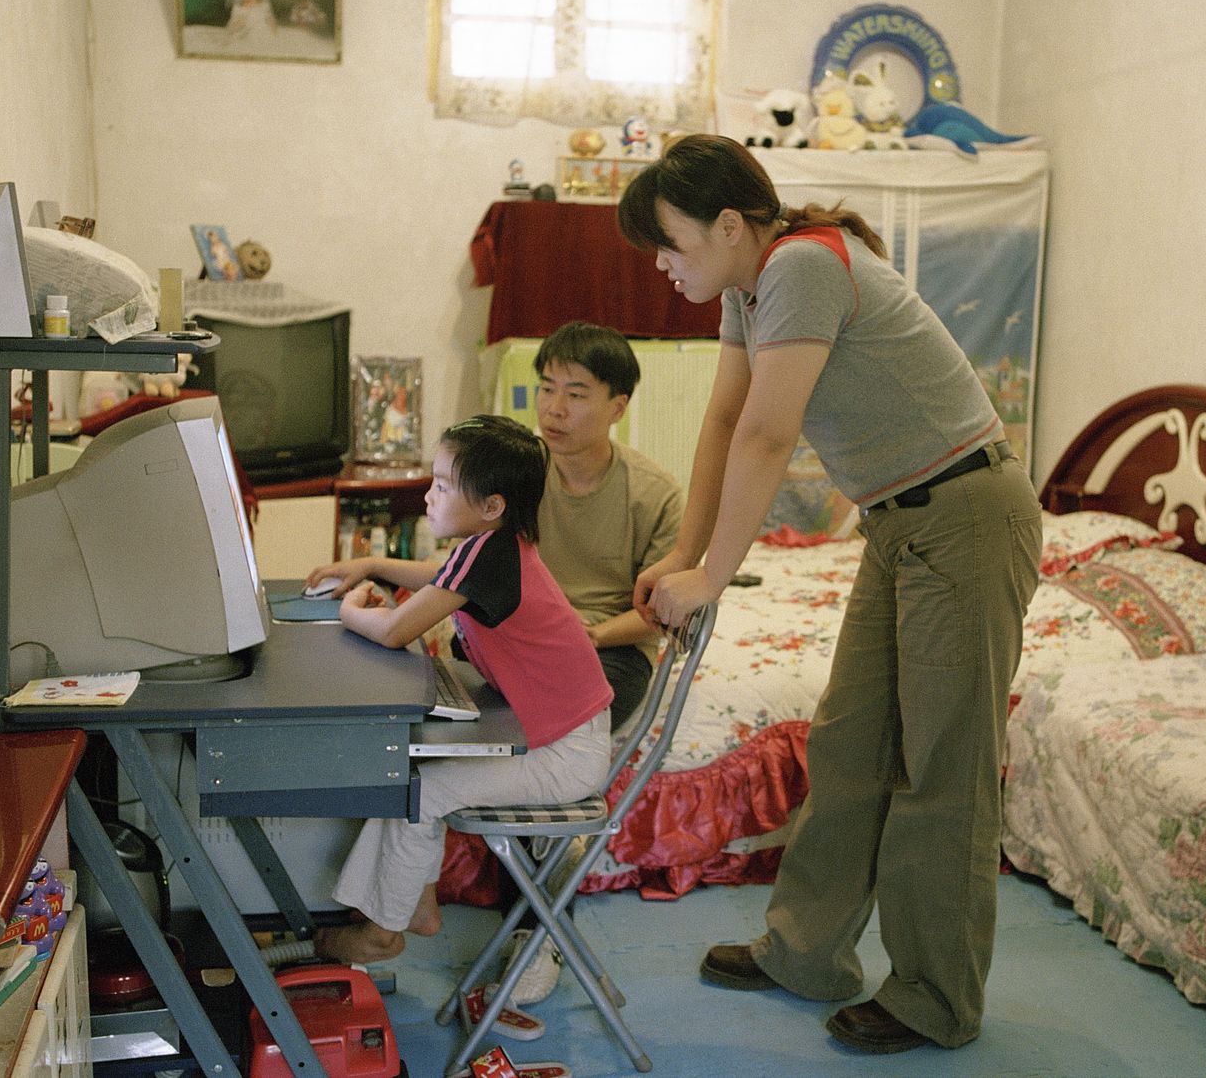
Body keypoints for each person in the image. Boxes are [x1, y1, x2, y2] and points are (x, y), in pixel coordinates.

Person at [616, 134, 1042, 1055]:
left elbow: (770, 436)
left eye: (669, 242)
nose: (660, 264)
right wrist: (683, 553)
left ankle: (934, 996)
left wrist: (713, 576)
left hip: (967, 517)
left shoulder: (804, 265)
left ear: (730, 225)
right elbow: (725, 418)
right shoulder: (749, 287)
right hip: (898, 524)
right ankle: (806, 951)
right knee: (849, 744)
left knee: (941, 768)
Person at [312, 415, 613, 964]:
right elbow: (440, 576)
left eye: (443, 486)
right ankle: (415, 905)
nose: (429, 496)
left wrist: (349, 608)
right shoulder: (493, 547)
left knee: (420, 792)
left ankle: (382, 933)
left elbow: (396, 630)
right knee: (408, 768)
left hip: (567, 754)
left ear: (492, 505)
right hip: (557, 739)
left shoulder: (489, 554)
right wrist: (372, 564)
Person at [531, 321, 684, 729]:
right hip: (525, 632)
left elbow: (662, 612)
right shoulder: (520, 473)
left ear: (617, 408)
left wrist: (593, 635)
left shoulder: (655, 493)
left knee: (580, 706)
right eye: (546, 388)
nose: (554, 408)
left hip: (612, 646)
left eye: (576, 394)